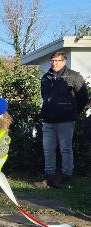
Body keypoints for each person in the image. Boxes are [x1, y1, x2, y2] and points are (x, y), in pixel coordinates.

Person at [35, 51, 89, 189]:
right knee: (48, 149)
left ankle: (67, 177)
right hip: (48, 120)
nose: (54, 63)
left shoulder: (73, 76)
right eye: (52, 60)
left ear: (64, 61)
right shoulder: (46, 77)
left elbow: (83, 97)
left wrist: (73, 111)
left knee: (65, 149)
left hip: (66, 120)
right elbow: (45, 97)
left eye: (57, 60)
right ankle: (49, 177)